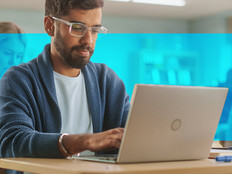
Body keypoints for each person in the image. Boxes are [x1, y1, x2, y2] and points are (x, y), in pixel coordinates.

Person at [0, 0, 130, 167]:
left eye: (95, 30)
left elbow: (132, 134)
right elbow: (13, 141)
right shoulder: (18, 80)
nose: (88, 40)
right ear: (49, 26)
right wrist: (84, 141)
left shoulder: (107, 80)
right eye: (77, 27)